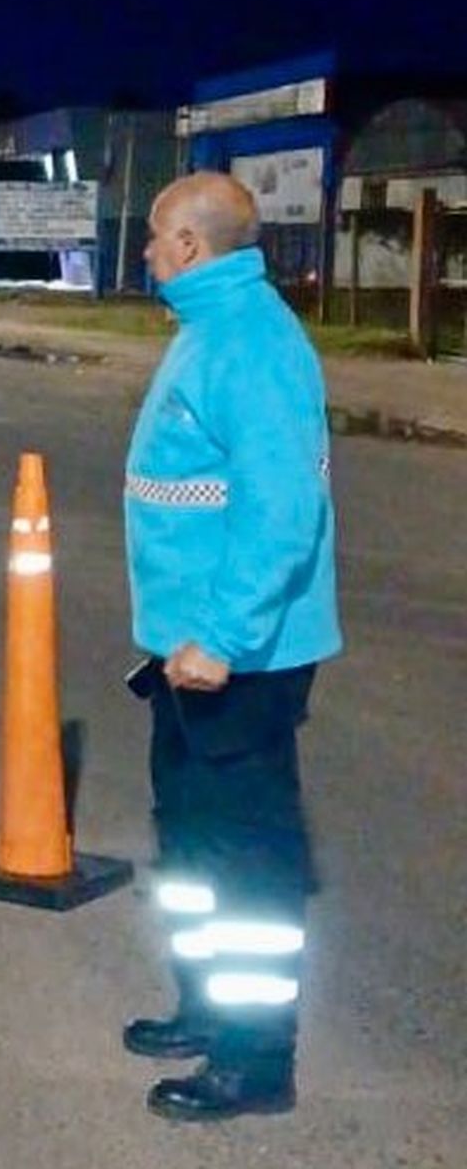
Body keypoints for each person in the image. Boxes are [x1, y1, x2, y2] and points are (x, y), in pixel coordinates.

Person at [122, 172, 342, 1122]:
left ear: (190, 247)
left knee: (246, 865)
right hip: (191, 653)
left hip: (237, 657)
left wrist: (222, 635)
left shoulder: (249, 344)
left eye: (155, 236)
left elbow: (283, 511)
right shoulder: (211, 332)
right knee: (195, 843)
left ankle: (256, 1062)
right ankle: (210, 1009)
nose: (143, 251)